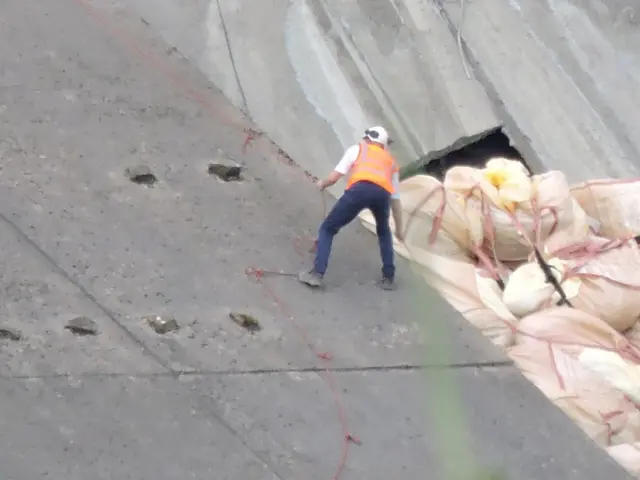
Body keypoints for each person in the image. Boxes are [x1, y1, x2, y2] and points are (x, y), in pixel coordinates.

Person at [298, 126, 404, 290]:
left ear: (367, 138)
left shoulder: (357, 150)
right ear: (383, 145)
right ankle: (388, 277)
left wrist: (322, 184)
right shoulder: (391, 163)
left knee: (328, 228)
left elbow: (334, 177)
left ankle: (317, 273)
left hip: (359, 191)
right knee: (384, 231)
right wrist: (400, 229)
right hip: (382, 195)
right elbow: (395, 201)